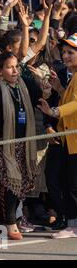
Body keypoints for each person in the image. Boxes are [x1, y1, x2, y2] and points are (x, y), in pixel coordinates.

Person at [0, 52, 43, 240]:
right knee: (10, 182)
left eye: (16, 66)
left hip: (24, 144)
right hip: (3, 144)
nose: (15, 70)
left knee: (22, 183)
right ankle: (9, 222)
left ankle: (2, 220)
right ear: (0, 70)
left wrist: (46, 87)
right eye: (10, 67)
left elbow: (41, 98)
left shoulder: (25, 85)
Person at [37, 33, 77, 239]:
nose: (66, 56)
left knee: (73, 185)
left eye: (71, 52)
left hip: (73, 138)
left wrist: (53, 112)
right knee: (65, 182)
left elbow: (75, 104)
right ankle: (71, 223)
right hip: (66, 138)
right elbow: (70, 98)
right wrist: (60, 89)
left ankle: (73, 225)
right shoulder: (69, 75)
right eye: (64, 52)